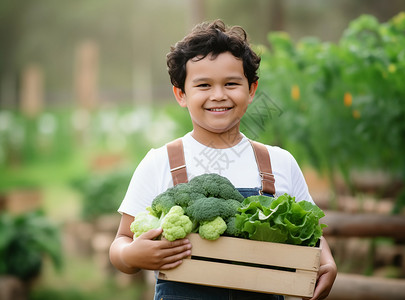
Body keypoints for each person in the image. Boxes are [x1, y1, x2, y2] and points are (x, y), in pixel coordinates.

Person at [109, 19, 337, 300]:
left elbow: (312, 232)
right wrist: (132, 255)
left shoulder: (279, 162)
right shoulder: (160, 162)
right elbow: (120, 242)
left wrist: (325, 260)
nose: (218, 95)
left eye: (231, 83)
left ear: (251, 90)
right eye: (203, 85)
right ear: (181, 94)